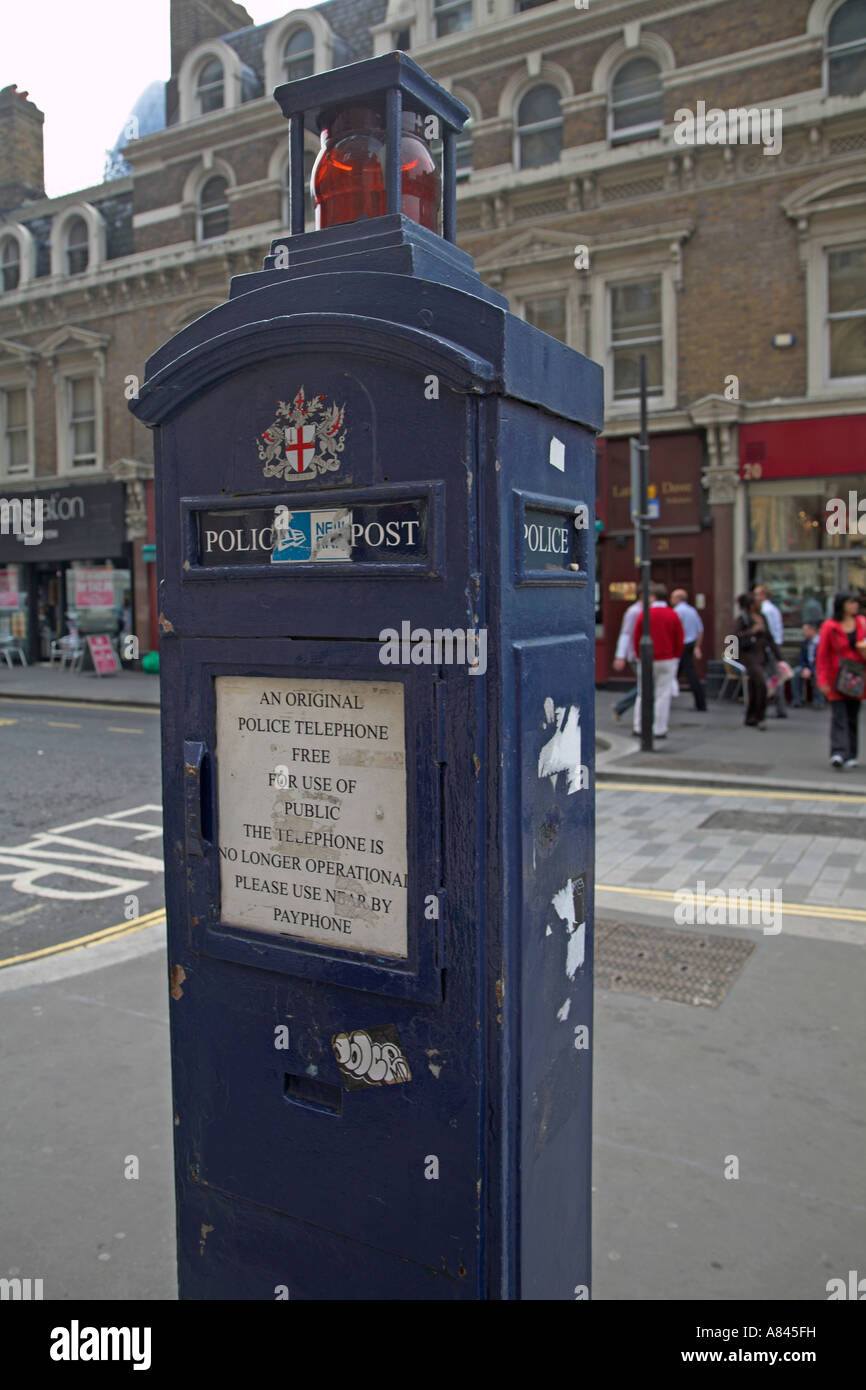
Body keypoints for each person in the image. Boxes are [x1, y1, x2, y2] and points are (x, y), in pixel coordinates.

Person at [816, 592, 866, 769]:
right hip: (836, 676)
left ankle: (851, 754)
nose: (855, 605)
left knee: (852, 715)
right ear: (842, 605)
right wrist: (821, 679)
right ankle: (838, 752)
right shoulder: (830, 626)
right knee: (839, 715)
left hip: (857, 675)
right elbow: (822, 654)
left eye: (855, 602)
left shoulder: (862, 622)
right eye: (851, 602)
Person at [631, 583, 684, 739]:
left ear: (653, 597)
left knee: (642, 693)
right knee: (663, 695)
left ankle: (638, 726)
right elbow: (679, 639)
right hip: (667, 659)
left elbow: (636, 637)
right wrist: (676, 657)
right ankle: (659, 729)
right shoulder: (672, 614)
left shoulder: (644, 614)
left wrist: (638, 656)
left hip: (647, 659)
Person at [735, 591, 779, 729]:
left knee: (754, 686)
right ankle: (760, 716)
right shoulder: (743, 619)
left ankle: (751, 716)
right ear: (751, 605)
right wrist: (751, 631)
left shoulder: (762, 617)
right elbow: (733, 637)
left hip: (762, 654)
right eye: (758, 602)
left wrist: (779, 657)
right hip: (749, 656)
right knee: (761, 684)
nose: (760, 605)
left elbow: (770, 637)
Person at [671, 587, 706, 711]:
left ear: (678, 599)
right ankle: (700, 702)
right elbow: (700, 630)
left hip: (681, 645)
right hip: (690, 643)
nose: (671, 600)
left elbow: (673, 630)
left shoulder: (677, 612)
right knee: (681, 672)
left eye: (673, 597)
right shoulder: (692, 611)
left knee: (682, 673)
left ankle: (661, 698)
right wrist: (697, 646)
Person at [754, 583, 786, 718]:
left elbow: (768, 631)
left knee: (769, 677)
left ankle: (765, 707)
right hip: (773, 646)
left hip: (768, 647)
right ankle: (779, 707)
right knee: (774, 677)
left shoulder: (765, 610)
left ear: (763, 595)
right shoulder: (773, 609)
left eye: (756, 594)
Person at [611, 598, 641, 720]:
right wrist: (620, 656)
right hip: (634, 654)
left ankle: (620, 707)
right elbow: (626, 633)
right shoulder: (633, 611)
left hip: (640, 654)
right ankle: (619, 707)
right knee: (646, 685)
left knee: (645, 685)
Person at [792, 622, 824, 708]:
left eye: (805, 631)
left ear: (812, 631)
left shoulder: (822, 643)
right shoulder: (805, 643)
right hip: (807, 666)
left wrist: (812, 670)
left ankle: (819, 701)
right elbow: (801, 658)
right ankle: (798, 700)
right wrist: (805, 668)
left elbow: (822, 660)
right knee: (795, 672)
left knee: (818, 674)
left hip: (819, 667)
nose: (803, 633)